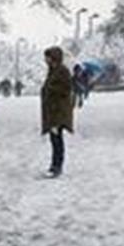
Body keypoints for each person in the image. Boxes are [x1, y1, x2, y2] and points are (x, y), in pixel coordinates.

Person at [40, 47, 74, 177]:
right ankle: (54, 165)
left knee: (57, 140)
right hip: (53, 112)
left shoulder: (62, 71)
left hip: (58, 112)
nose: (45, 60)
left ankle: (56, 167)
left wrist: (51, 90)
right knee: (54, 140)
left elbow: (65, 89)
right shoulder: (53, 71)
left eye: (47, 57)